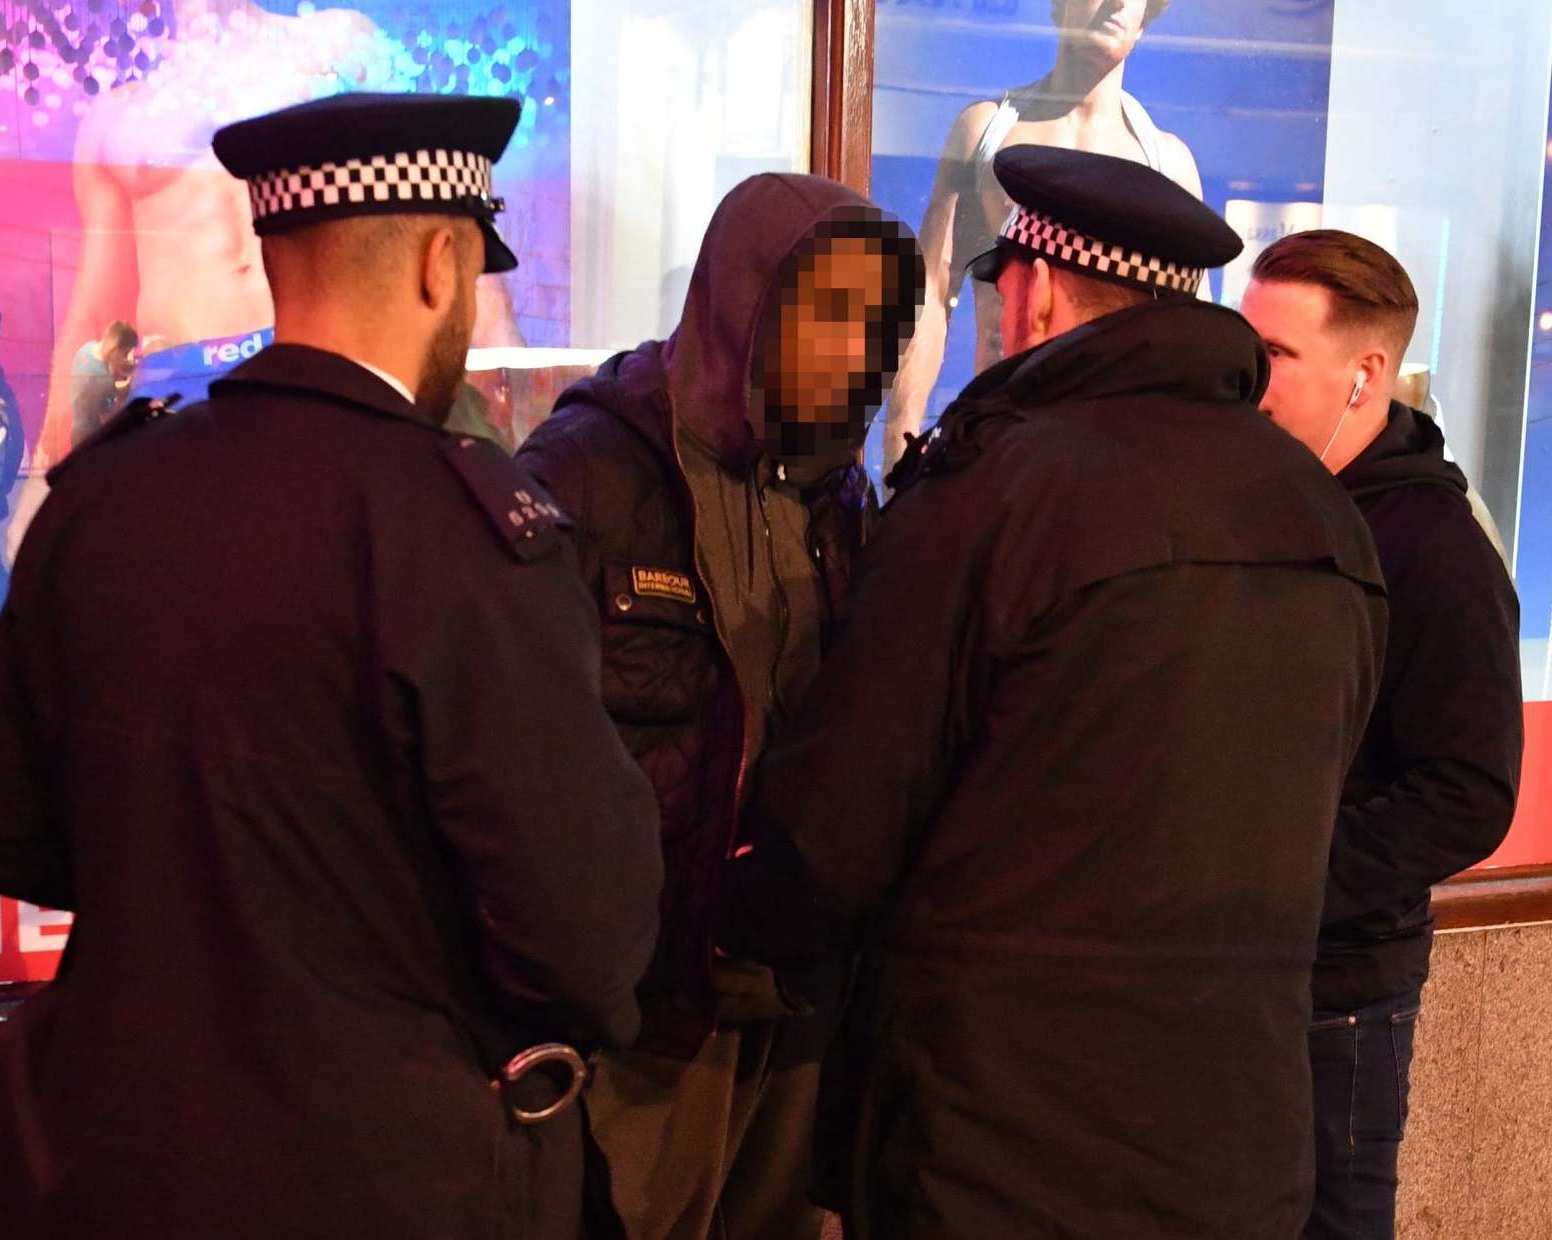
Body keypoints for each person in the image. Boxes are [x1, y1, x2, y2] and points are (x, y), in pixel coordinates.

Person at [0, 92, 662, 1240]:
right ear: (439, 263)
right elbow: (585, 938)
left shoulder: (105, 499)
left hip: (115, 1161)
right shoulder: (472, 535)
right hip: (386, 1178)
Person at [719, 145, 1388, 1239]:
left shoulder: (997, 494)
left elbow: (840, 824)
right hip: (1240, 1148)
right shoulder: (1325, 521)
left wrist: (725, 921)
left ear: (1032, 292)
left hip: (1004, 1151)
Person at [515, 178, 923, 1240]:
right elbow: (518, 757)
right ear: (748, 300)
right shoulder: (586, 472)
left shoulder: (837, 495)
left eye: (871, 324)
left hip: (793, 1000)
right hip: (646, 1017)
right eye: (828, 313)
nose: (851, 350)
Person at [1239, 230, 1523, 1240]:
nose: (1242, 374)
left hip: (1336, 998)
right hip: (1228, 971)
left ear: (1365, 374)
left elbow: (1468, 790)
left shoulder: (1437, 549)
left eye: (1272, 353)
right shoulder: (1262, 504)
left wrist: (1286, 881)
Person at [33, 0, 525, 469]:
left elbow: (441, 207)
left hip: (319, 366)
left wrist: (508, 377)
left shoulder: (334, 45)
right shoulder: (117, 118)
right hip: (182, 377)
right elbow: (97, 307)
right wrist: (49, 468)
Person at [884, 0, 1203, 476]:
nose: (1117, 1)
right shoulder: (986, 133)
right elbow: (931, 295)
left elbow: (1195, 342)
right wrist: (900, 440)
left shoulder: (1166, 166)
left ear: (1145, 21)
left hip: (1116, 454)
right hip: (997, 436)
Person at [68, 320, 139, 443]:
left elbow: (95, 395)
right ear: (115, 349)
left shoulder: (86, 349)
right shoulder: (103, 380)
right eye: (125, 353)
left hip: (77, 431)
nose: (126, 359)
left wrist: (124, 387)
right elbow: (109, 421)